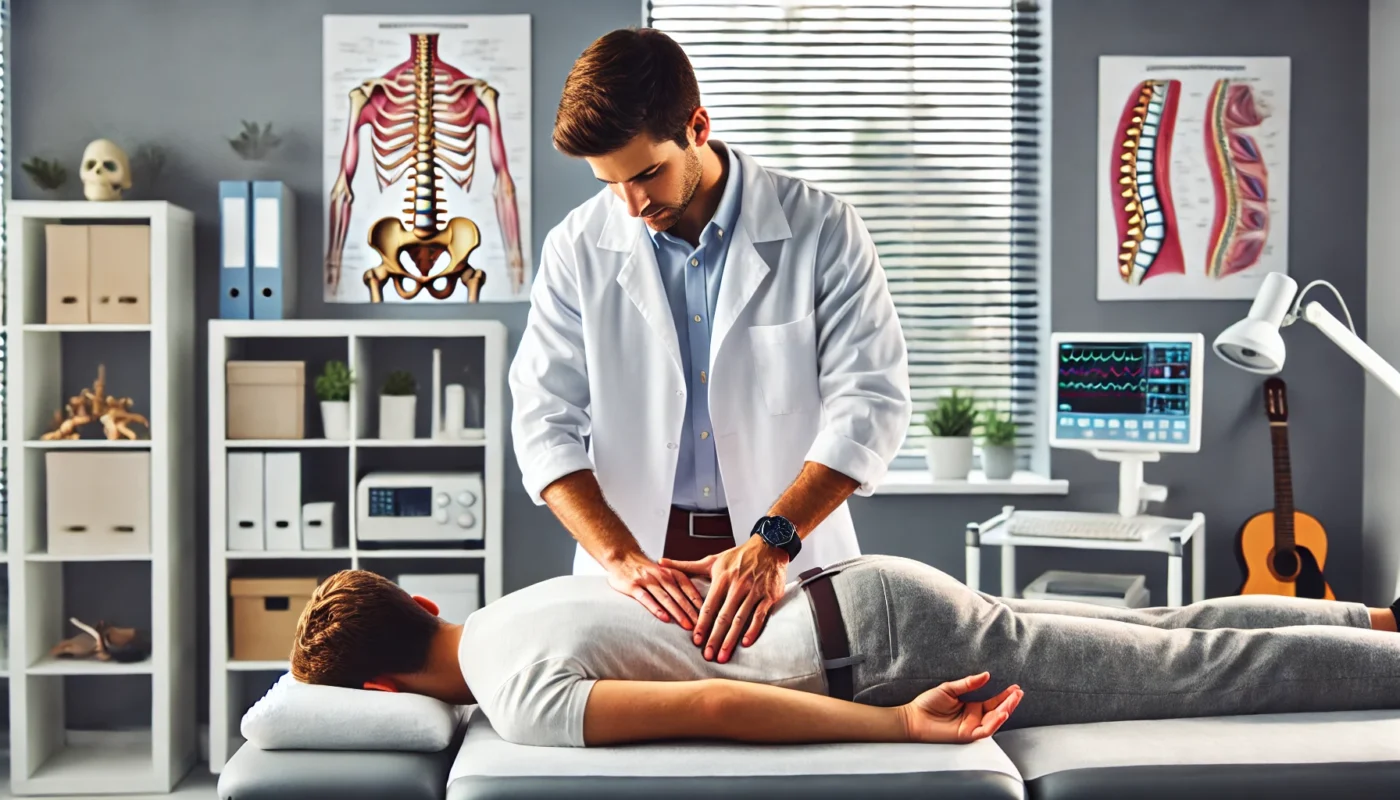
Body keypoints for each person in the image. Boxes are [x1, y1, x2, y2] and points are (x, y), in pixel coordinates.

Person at [508, 26, 912, 665]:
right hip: (640, 563)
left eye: (646, 174)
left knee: (809, 733)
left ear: (697, 126)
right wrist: (620, 558)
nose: (633, 203)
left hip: (786, 555)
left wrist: (771, 544)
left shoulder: (824, 230)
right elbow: (542, 423)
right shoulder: (577, 247)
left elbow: (870, 406)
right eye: (610, 183)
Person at [291, 555, 1400, 749]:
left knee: (1178, 676)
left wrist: (893, 723)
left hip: (875, 650)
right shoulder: (511, 613)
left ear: (384, 686)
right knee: (1151, 634)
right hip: (861, 591)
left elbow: (719, 707)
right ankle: (1371, 622)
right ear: (420, 597)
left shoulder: (517, 696)